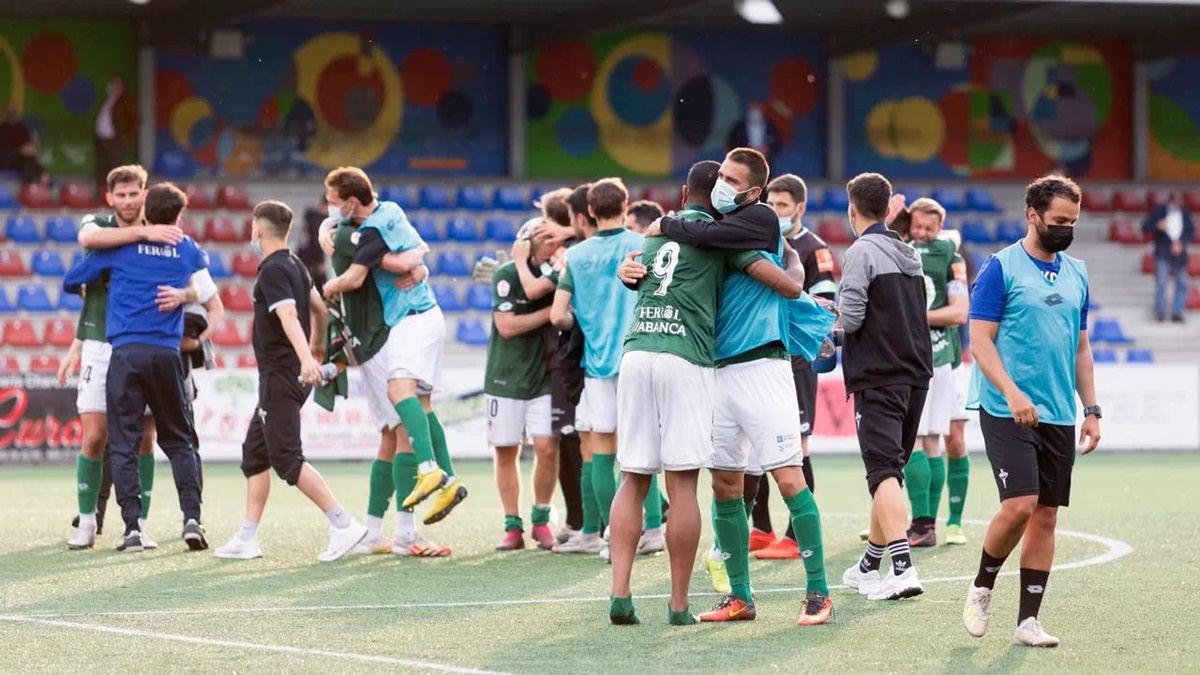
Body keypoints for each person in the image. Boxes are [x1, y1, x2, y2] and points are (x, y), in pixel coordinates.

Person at [608, 159, 803, 626]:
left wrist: (626, 268)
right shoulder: (723, 240)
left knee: (632, 478)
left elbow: (637, 273)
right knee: (681, 484)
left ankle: (620, 596)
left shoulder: (652, 235)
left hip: (636, 353)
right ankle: (678, 604)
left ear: (681, 193)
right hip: (686, 358)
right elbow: (787, 285)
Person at [962, 175, 1101, 648]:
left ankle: (1027, 622)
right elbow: (979, 341)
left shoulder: (1077, 272)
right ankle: (982, 585)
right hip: (1007, 408)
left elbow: (1082, 350)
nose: (1066, 229)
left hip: (1059, 413)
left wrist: (1092, 408)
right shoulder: (999, 268)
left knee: (1045, 516)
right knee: (1019, 505)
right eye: (1059, 221)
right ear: (1033, 216)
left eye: (1073, 222)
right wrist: (1013, 393)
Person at [213, 200, 367, 562]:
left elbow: (288, 316)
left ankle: (343, 524)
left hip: (282, 376)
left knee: (286, 459)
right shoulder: (296, 264)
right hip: (286, 375)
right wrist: (316, 347)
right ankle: (247, 537)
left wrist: (305, 357)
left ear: (257, 228)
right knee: (254, 454)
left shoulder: (273, 270)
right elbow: (318, 306)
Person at [62, 182, 210, 553]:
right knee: (178, 439)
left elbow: (72, 279)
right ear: (177, 216)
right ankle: (192, 518)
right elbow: (204, 285)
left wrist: (103, 279)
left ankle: (131, 529)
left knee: (124, 442)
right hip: (166, 354)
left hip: (126, 354)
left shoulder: (122, 247)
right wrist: (184, 292)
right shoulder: (186, 247)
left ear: (145, 203)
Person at [322, 168, 467, 526]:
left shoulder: (366, 234)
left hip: (403, 322)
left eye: (332, 202)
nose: (328, 207)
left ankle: (428, 473)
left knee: (398, 399)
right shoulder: (391, 210)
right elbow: (415, 250)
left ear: (352, 202)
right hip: (423, 314)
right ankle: (446, 479)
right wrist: (420, 263)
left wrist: (328, 287)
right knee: (419, 405)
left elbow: (360, 275)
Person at [551, 178, 664, 560]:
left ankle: (607, 534)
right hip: (639, 354)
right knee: (642, 447)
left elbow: (557, 315)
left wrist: (583, 318)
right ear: (626, 204)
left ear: (590, 213)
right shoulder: (641, 245)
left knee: (601, 451)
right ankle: (652, 530)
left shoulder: (577, 257)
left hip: (597, 364)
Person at [837, 173, 933, 601]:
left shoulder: (861, 251)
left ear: (853, 210)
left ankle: (902, 569)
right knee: (889, 471)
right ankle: (868, 565)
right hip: (915, 374)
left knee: (882, 473)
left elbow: (853, 319)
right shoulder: (908, 252)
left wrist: (827, 324)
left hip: (879, 375)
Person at [754, 173, 839, 561]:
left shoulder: (814, 249)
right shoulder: (759, 239)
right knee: (754, 446)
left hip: (797, 359)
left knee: (796, 446)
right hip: (761, 354)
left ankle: (792, 537)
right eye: (770, 204)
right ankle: (760, 529)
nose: (775, 211)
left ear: (800, 208)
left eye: (783, 205)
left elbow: (823, 304)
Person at [900, 198, 968, 548]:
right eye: (917, 227)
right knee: (928, 441)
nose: (923, 233)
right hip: (922, 358)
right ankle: (918, 523)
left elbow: (959, 313)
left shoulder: (949, 258)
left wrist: (907, 318)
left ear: (939, 227)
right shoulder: (935, 252)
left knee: (935, 440)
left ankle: (936, 523)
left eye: (930, 228)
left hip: (939, 359)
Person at [488, 222, 560, 551]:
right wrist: (551, 312)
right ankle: (512, 525)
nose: (550, 245)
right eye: (544, 239)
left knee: (546, 447)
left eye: (553, 239)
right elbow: (506, 326)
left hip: (544, 377)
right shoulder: (506, 274)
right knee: (506, 450)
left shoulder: (557, 271)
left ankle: (541, 519)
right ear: (528, 244)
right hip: (505, 376)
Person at [940, 227, 972, 546]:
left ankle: (954, 521)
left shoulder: (953, 263)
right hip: (907, 364)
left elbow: (960, 315)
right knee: (901, 447)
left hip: (948, 363)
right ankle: (893, 521)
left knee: (955, 440)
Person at [1142, 192, 1194, 323]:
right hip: (1163, 251)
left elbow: (1190, 230)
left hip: (1179, 253)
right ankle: (1160, 312)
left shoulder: (1185, 212)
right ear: (1170, 201)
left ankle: (1177, 312)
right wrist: (1157, 226)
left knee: (1181, 282)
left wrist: (1181, 243)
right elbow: (1145, 227)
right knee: (1162, 282)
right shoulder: (1159, 211)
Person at [93, 76, 137, 194]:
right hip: (102, 140)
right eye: (111, 84)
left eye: (115, 84)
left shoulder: (126, 100)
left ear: (121, 86)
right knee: (102, 168)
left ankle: (117, 193)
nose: (112, 87)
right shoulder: (107, 99)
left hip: (115, 141)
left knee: (116, 169)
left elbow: (134, 120)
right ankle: (102, 194)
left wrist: (125, 138)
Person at [0, 106, 47, 184]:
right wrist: (20, 150)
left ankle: (37, 180)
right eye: (9, 113)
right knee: (27, 160)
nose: (11, 114)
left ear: (17, 114)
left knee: (29, 160)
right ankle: (40, 178)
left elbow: (30, 143)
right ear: (5, 114)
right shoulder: (2, 130)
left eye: (14, 112)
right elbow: (3, 147)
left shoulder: (23, 129)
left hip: (23, 157)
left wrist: (31, 149)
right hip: (5, 158)